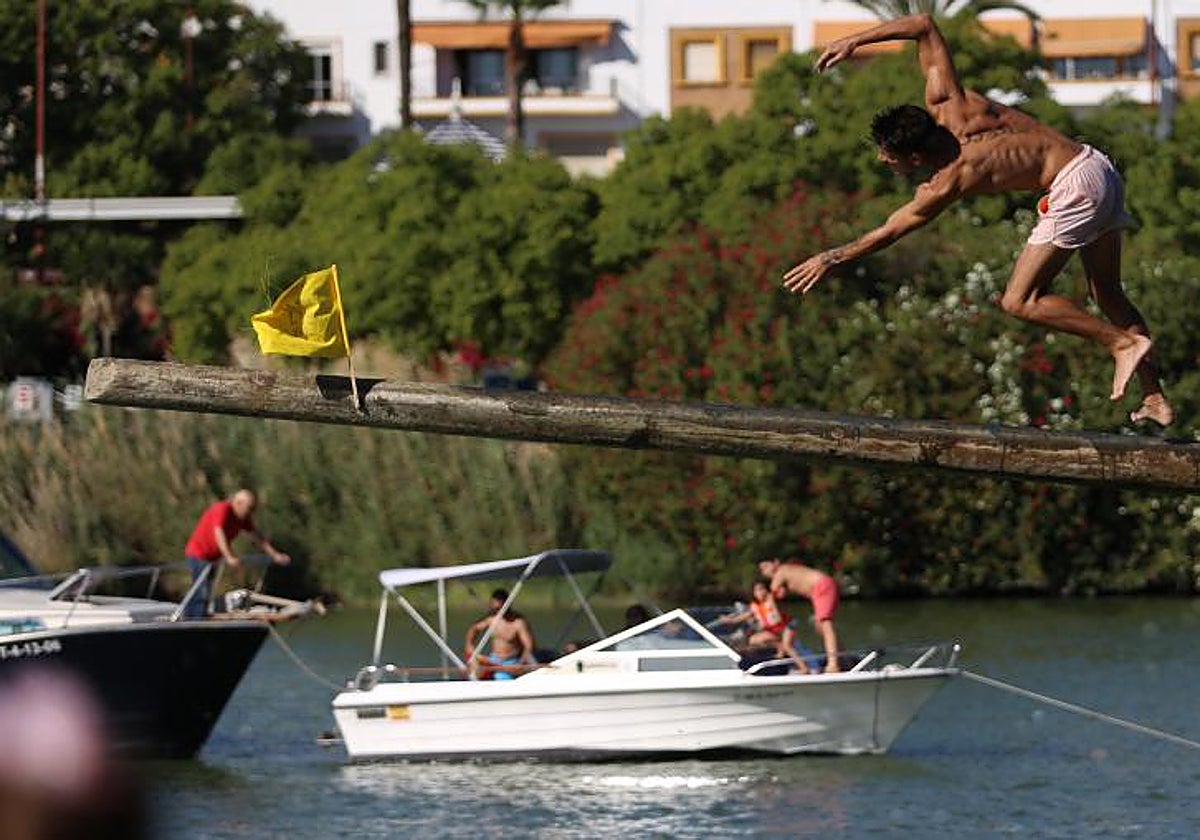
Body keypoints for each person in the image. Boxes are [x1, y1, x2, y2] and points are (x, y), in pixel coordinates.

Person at [782, 13, 1172, 427]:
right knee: (1107, 292)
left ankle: (1119, 343)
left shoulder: (946, 182)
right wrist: (854, 41)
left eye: (888, 157)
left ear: (915, 159)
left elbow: (891, 230)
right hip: (1097, 166)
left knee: (1019, 300)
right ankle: (1154, 396)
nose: (882, 160)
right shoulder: (948, 101)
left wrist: (831, 258)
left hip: (1073, 187)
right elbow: (924, 24)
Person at [182, 489, 290, 618]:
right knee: (201, 591)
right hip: (198, 554)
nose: (251, 512)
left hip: (213, 558)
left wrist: (275, 554)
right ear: (238, 503)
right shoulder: (222, 509)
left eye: (253, 509)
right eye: (249, 508)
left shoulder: (243, 517)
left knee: (207, 590)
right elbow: (218, 532)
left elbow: (257, 537)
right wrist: (229, 556)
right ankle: (194, 621)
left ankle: (198, 618)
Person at [758, 558, 841, 673]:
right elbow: (782, 592)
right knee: (820, 627)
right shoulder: (787, 573)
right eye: (761, 569)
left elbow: (772, 593)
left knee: (825, 624)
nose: (764, 571)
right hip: (820, 589)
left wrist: (771, 612)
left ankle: (833, 664)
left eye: (766, 566)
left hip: (821, 586)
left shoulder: (781, 571)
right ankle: (842, 655)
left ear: (776, 563)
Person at [718, 579, 809, 674]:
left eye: (762, 589)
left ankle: (804, 668)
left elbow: (777, 618)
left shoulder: (772, 601)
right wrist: (730, 620)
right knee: (754, 640)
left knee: (787, 646)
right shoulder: (755, 606)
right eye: (757, 590)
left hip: (787, 626)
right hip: (775, 630)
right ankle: (779, 650)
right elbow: (744, 616)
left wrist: (771, 601)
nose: (760, 593)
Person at [464, 589, 537, 680]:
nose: (497, 611)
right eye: (495, 608)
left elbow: (529, 646)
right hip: (493, 659)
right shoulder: (491, 619)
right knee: (472, 670)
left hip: (511, 661)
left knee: (501, 677)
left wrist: (521, 662)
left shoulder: (518, 622)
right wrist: (469, 645)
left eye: (500, 608)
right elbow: (474, 629)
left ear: (507, 604)